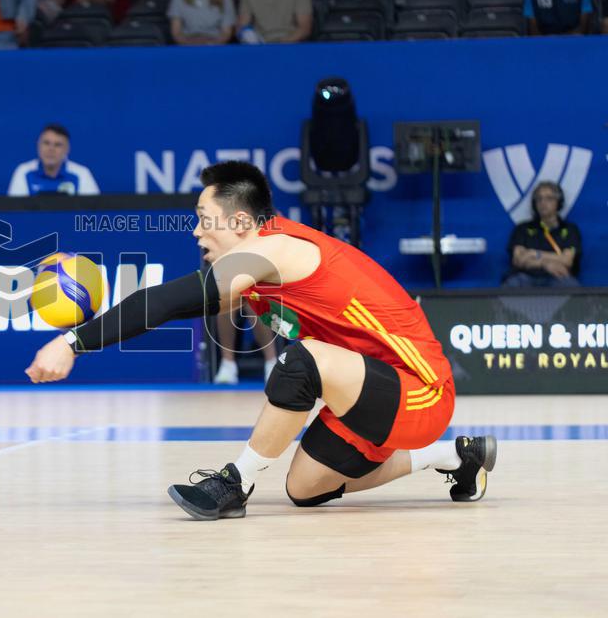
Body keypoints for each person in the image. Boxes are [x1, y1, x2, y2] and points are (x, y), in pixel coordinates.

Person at [26, 161, 497, 520]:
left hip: (419, 391)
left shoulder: (275, 250)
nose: (195, 231)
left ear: (240, 223)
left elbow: (166, 300)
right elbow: (181, 305)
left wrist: (72, 343)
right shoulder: (253, 272)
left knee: (302, 359)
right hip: (366, 393)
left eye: (204, 218)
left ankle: (236, 484)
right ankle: (456, 455)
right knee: (305, 489)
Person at [502, 182, 582, 287]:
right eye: (539, 199)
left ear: (559, 202)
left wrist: (533, 254)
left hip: (557, 277)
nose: (543, 203)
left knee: (570, 285)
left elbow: (567, 260)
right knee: (513, 284)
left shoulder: (570, 230)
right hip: (526, 277)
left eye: (549, 198)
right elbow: (519, 260)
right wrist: (545, 264)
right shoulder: (523, 228)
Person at [7, 124, 99, 196]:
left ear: (67, 149)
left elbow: (93, 213)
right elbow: (15, 212)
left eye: (57, 144)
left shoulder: (81, 174)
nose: (51, 149)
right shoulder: (24, 171)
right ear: (38, 145)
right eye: (46, 143)